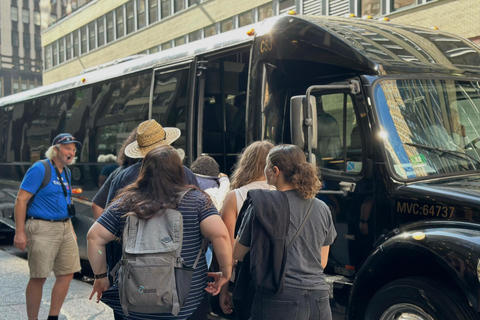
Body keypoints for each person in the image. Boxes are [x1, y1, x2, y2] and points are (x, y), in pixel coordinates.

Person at [87, 145, 233, 320]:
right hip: (187, 304)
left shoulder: (126, 202)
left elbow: (94, 237)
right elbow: (221, 235)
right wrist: (225, 271)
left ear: (144, 169)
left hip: (135, 305)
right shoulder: (197, 201)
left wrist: (101, 276)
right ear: (179, 170)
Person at [233, 144, 337, 320]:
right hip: (319, 299)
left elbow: (238, 252)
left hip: (279, 298)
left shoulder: (263, 205)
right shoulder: (322, 207)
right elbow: (322, 261)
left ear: (275, 171)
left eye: (266, 166)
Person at [13, 133, 82, 320]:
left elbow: (67, 203)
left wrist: (72, 231)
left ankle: (53, 317)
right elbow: (21, 199)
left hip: (65, 227)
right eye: (68, 148)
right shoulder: (40, 168)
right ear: (56, 149)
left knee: (68, 273)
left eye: (74, 150)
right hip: (42, 227)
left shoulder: (66, 172)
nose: (72, 153)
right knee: (39, 277)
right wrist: (20, 232)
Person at [218, 140, 274, 319]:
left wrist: (224, 289)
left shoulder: (236, 196)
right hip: (279, 276)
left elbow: (227, 246)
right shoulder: (285, 193)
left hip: (245, 278)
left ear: (246, 164)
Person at [91, 128, 138, 320]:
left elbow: (97, 204)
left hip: (121, 258)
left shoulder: (119, 173)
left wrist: (113, 231)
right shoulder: (174, 175)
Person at [105, 119, 199, 206]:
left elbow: (109, 216)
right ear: (167, 143)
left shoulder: (123, 177)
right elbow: (198, 209)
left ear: (140, 150)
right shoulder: (185, 173)